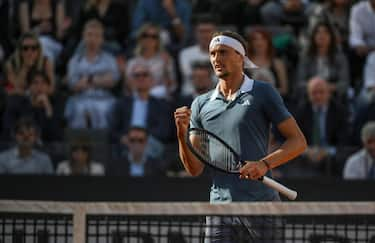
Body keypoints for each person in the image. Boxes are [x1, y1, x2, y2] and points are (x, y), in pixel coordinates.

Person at [174, 30, 307, 242]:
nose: (217, 59)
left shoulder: (263, 92)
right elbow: (195, 169)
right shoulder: (200, 104)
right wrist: (182, 135)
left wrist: (263, 164)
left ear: (240, 57)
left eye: (223, 52)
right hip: (219, 208)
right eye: (213, 54)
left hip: (261, 207)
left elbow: (298, 142)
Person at [291, 77, 350, 177]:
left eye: (321, 92)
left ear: (328, 94)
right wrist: (306, 151)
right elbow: (293, 138)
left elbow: (344, 141)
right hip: (307, 154)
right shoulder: (301, 111)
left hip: (331, 155)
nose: (318, 96)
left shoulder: (340, 112)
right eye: (314, 93)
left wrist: (327, 151)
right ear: (308, 95)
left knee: (343, 155)